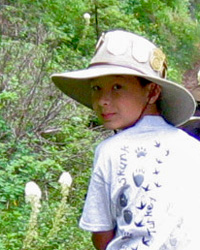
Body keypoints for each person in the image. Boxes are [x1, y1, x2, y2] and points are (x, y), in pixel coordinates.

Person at [51, 30, 200, 250]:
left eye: (117, 87)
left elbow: (101, 235)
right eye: (96, 88)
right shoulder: (192, 147)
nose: (102, 100)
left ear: (152, 92)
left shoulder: (109, 150)